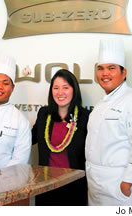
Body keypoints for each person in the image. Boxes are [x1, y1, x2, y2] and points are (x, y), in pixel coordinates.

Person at [85, 37, 132, 206]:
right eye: (100, 68)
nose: (105, 73)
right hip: (95, 184)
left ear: (124, 73)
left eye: (111, 68)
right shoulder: (100, 105)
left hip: (120, 186)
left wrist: (128, 182)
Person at [32, 69, 90, 206]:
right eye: (56, 88)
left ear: (74, 90)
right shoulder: (44, 114)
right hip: (46, 186)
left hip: (74, 187)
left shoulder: (85, 117)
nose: (60, 93)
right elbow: (29, 138)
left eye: (65, 88)